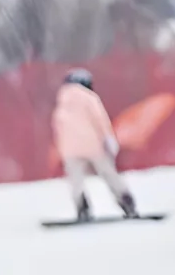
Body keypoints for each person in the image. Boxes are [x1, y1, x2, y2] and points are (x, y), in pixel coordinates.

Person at [52, 68, 139, 222]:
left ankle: (82, 209)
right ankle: (127, 204)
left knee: (75, 180)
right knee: (109, 174)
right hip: (92, 144)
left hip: (70, 149)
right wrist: (108, 138)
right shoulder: (89, 97)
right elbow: (100, 119)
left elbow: (57, 126)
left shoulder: (62, 101)